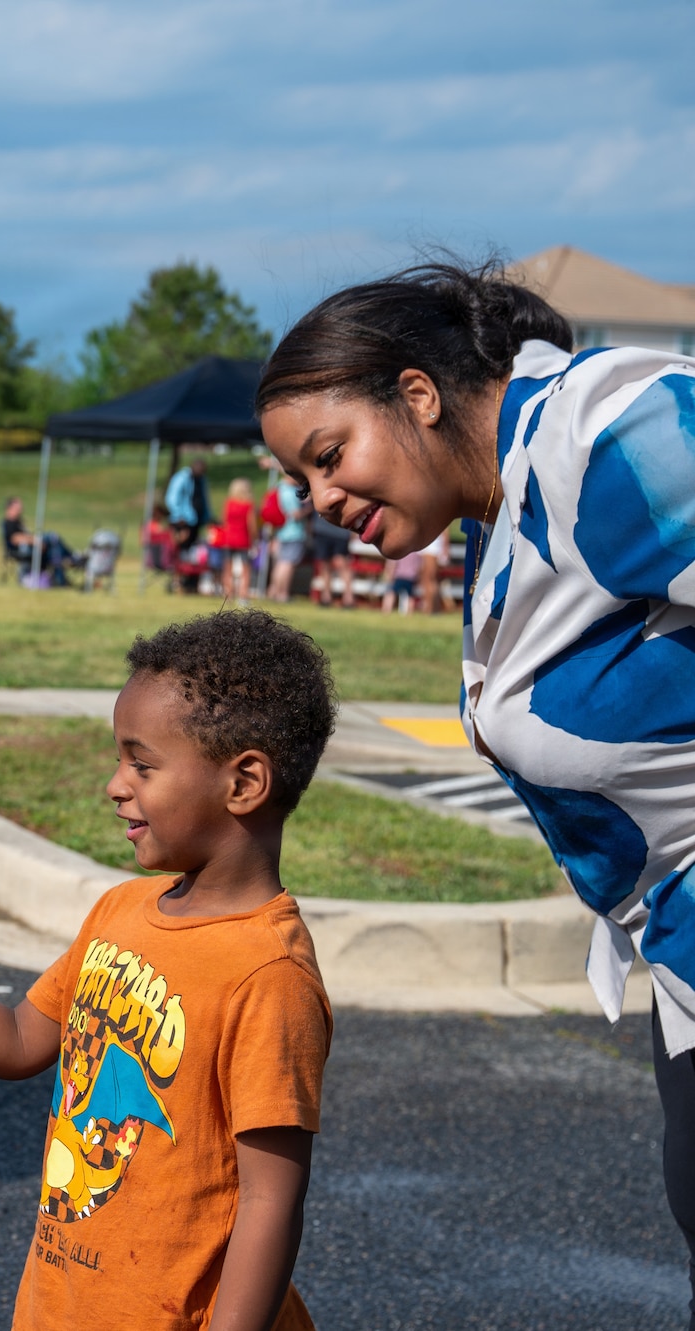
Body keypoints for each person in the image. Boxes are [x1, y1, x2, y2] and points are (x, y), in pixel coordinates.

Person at [257, 258, 695, 1323]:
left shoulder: (602, 432)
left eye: (327, 457)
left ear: (415, 394)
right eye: (297, 484)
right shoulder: (502, 508)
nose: (319, 502)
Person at [0, 609, 332, 1331]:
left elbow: (271, 1198)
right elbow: (21, 1035)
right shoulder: (121, 911)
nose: (115, 785)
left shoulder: (267, 974)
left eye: (141, 764)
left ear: (243, 783)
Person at [261, 475, 309, 604]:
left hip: (281, 532)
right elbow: (296, 514)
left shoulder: (279, 488)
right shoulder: (289, 491)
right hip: (293, 532)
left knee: (280, 563)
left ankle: (273, 590)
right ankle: (283, 593)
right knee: (287, 564)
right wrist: (309, 509)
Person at [215, 475, 255, 600]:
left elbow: (223, 520)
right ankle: (243, 594)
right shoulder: (248, 505)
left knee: (227, 568)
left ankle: (228, 593)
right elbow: (251, 525)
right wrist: (254, 538)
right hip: (243, 539)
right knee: (246, 569)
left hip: (228, 539)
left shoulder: (228, 503)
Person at [163, 454, 211, 551]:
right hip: (182, 519)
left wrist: (207, 516)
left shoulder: (201, 480)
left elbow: (204, 499)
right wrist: (179, 514)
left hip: (196, 518)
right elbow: (171, 498)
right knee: (181, 544)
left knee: (192, 545)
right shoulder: (181, 478)